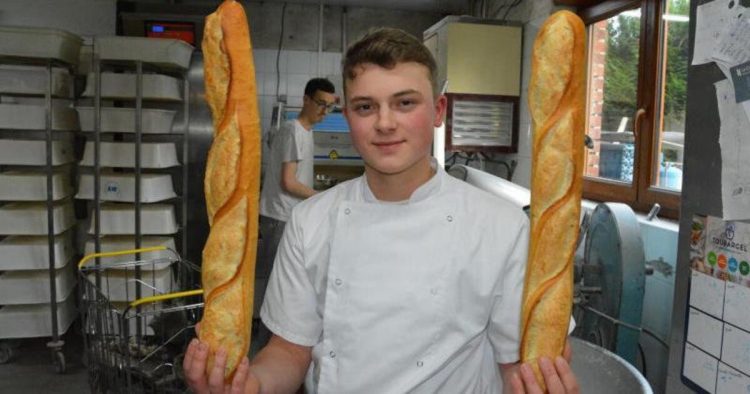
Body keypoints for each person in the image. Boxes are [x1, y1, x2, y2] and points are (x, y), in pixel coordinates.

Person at [185, 28, 579, 394]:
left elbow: (515, 366)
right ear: (348, 116)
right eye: (365, 107)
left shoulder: (503, 227)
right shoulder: (311, 221)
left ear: (439, 110)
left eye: (405, 103)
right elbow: (290, 351)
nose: (385, 123)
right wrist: (248, 386)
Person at [253, 78, 336, 349]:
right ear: (306, 100)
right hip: (279, 217)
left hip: (286, 216)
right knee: (275, 286)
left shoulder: (303, 131)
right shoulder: (294, 131)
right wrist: (323, 198)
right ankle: (265, 348)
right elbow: (288, 182)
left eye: (330, 107)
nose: (324, 111)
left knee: (281, 284)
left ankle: (270, 344)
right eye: (321, 104)